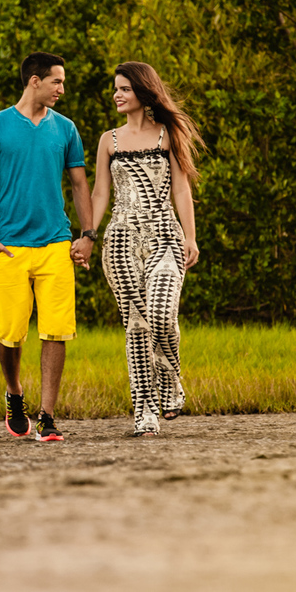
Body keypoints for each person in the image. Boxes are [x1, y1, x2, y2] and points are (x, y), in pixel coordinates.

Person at [0, 51, 96, 442]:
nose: (62, 89)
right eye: (57, 81)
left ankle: (47, 415)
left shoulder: (66, 129)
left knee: (56, 331)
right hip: (9, 247)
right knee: (9, 334)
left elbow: (79, 185)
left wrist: (88, 234)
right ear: (34, 81)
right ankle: (14, 393)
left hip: (56, 245)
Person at [84, 61, 204, 437]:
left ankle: (170, 375)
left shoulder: (168, 133)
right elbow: (100, 191)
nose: (117, 95)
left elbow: (182, 189)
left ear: (142, 92)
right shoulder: (109, 140)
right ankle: (144, 410)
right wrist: (87, 235)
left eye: (124, 89)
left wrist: (190, 236)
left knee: (162, 313)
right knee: (135, 326)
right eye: (115, 89)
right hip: (121, 237)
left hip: (165, 233)